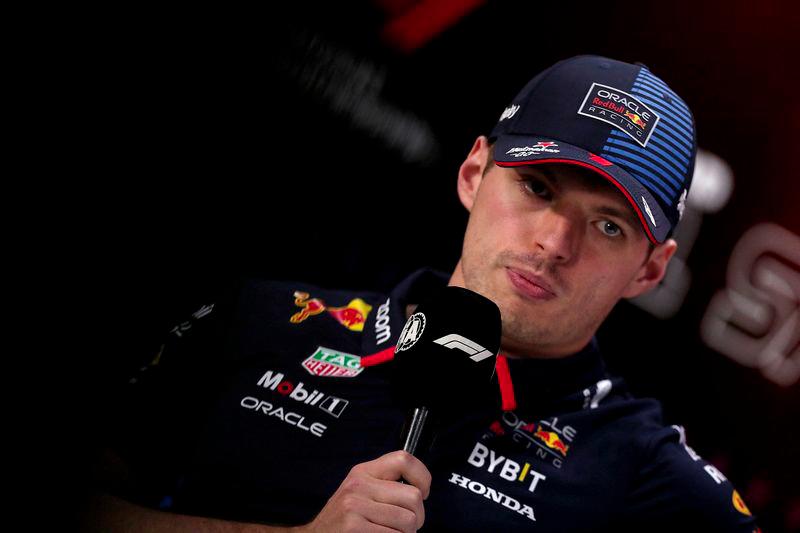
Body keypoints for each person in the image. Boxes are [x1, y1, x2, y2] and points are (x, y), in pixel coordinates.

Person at [82, 55, 761, 532]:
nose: (555, 243)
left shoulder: (659, 484)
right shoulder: (262, 320)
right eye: (538, 188)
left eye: (609, 224)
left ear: (650, 270)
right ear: (473, 174)